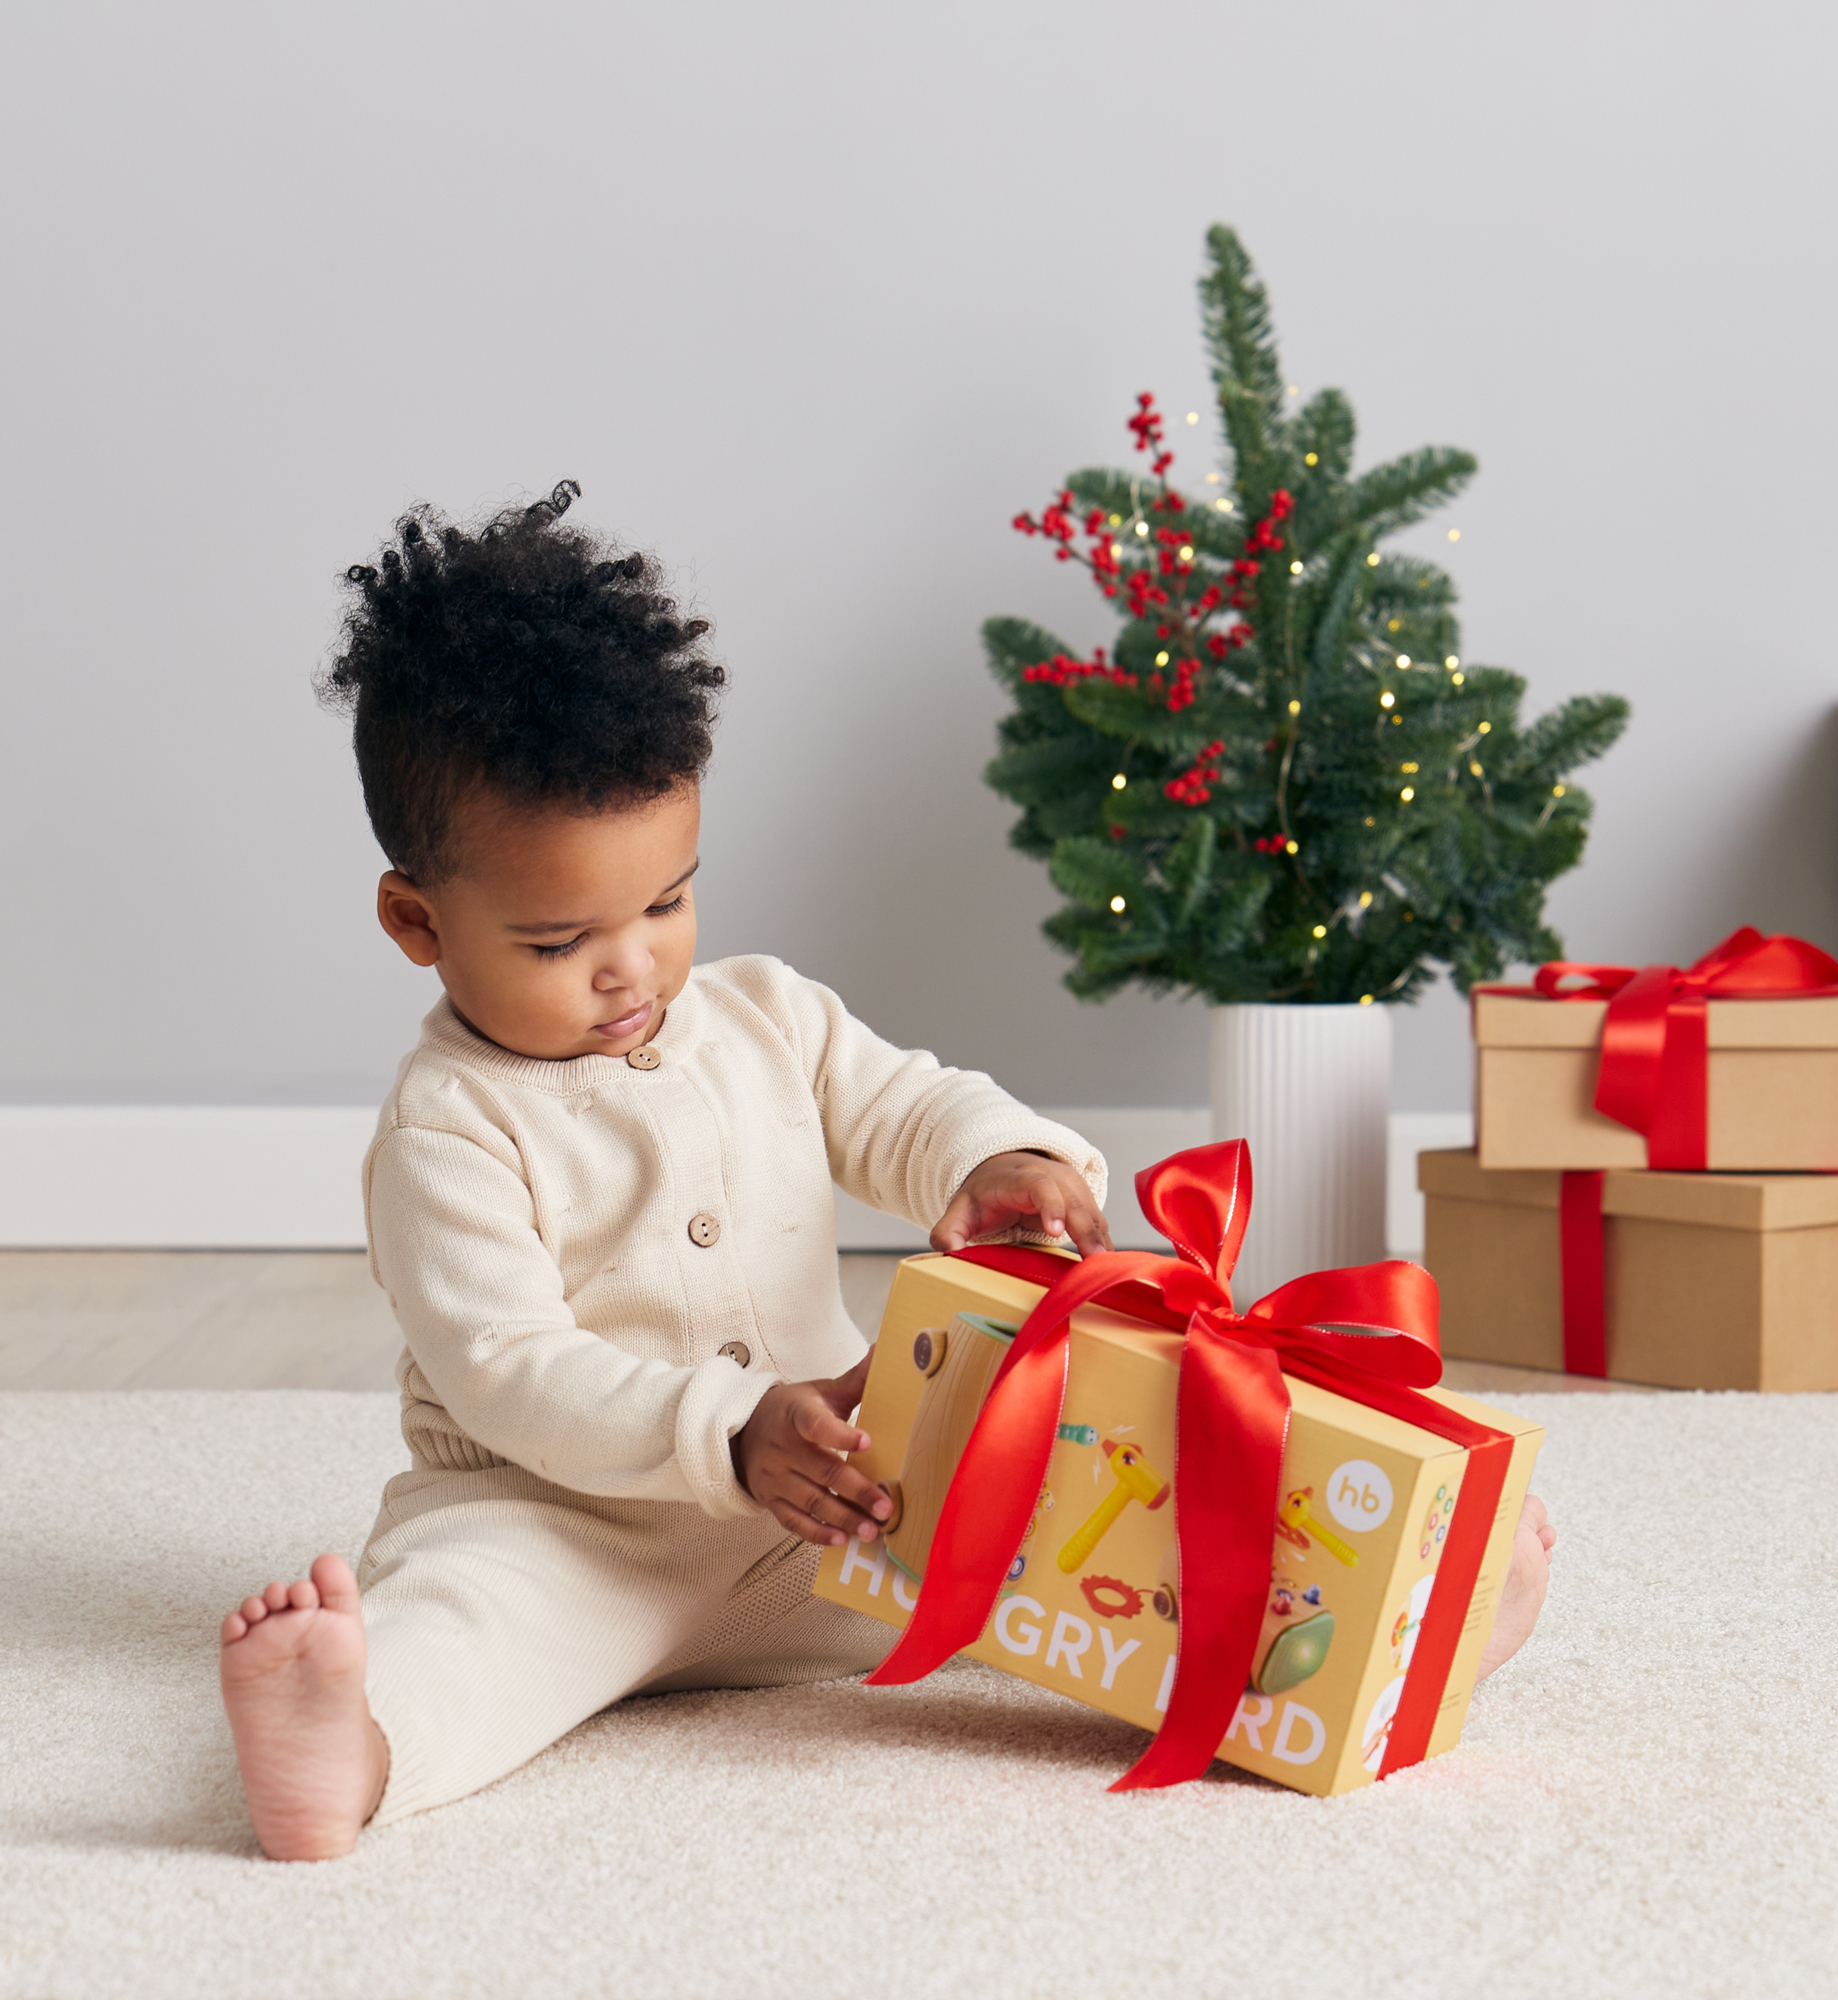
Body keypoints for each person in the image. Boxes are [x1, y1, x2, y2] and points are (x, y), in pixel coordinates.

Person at [219, 481, 1551, 1861]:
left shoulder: (763, 1014)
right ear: (416, 919)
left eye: (668, 901)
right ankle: (351, 1745)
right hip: (571, 1525)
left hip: (842, 1507)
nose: (632, 966)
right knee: (471, 1624)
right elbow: (509, 1368)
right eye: (559, 942)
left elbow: (905, 1105)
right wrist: (729, 1429)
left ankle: (1390, 1623)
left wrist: (997, 1160)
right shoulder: (448, 1130)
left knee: (1099, 1535)